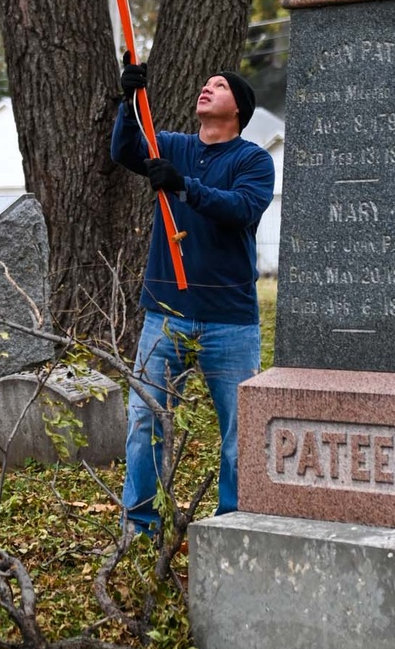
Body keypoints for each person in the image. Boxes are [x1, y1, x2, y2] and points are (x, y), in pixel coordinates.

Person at [111, 58, 275, 534]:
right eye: (205, 84)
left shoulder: (252, 160)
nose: (207, 88)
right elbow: (125, 150)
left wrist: (184, 186)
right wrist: (129, 101)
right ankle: (141, 529)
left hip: (230, 320)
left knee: (239, 434)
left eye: (219, 86)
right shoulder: (174, 147)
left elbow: (241, 209)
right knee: (146, 423)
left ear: (238, 109)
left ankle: (234, 525)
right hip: (166, 314)